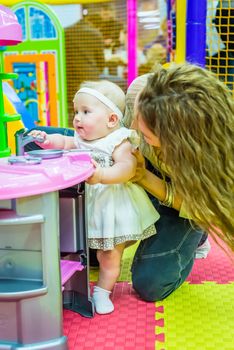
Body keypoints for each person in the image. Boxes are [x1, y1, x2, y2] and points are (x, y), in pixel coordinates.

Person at [28, 80, 159, 314]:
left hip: (111, 206)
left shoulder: (119, 140)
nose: (77, 118)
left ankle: (102, 291)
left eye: (86, 112)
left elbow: (128, 169)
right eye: (76, 111)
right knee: (77, 245)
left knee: (109, 253)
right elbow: (65, 141)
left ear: (111, 120)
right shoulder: (80, 139)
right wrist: (47, 141)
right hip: (85, 206)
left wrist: (101, 175)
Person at [122, 63, 233, 301]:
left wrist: (143, 177)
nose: (132, 127)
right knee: (93, 250)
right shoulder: (144, 92)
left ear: (177, 140)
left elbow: (204, 207)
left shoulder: (215, 162)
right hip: (156, 167)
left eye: (147, 133)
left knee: (151, 284)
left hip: (188, 192)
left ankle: (197, 236)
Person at [65, 13, 105, 125]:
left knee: (72, 106)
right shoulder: (95, 33)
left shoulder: (66, 32)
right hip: (89, 78)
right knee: (89, 106)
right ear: (97, 25)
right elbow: (101, 62)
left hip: (69, 77)